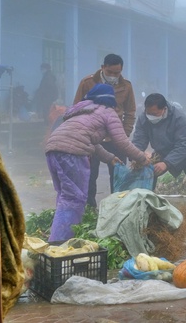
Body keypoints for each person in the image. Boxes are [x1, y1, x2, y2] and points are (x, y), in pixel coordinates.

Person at [45, 84, 148, 241]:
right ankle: (59, 242)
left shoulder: (81, 110)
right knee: (74, 198)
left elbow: (89, 140)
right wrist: (142, 157)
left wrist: (109, 157)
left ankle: (59, 234)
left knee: (65, 195)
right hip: (72, 153)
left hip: (53, 150)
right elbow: (122, 141)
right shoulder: (108, 112)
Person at [132, 93, 186, 228]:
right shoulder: (143, 118)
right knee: (149, 175)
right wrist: (138, 154)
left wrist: (167, 163)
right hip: (161, 151)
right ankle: (146, 214)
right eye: (148, 112)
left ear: (164, 109)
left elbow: (183, 144)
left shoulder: (179, 117)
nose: (150, 116)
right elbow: (139, 139)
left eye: (154, 113)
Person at [73, 54, 137, 207]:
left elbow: (130, 111)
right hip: (91, 138)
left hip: (116, 138)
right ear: (103, 67)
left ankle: (116, 209)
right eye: (111, 72)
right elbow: (76, 108)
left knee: (118, 175)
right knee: (89, 175)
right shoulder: (87, 82)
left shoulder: (126, 86)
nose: (114, 76)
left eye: (118, 73)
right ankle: (90, 209)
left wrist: (125, 132)